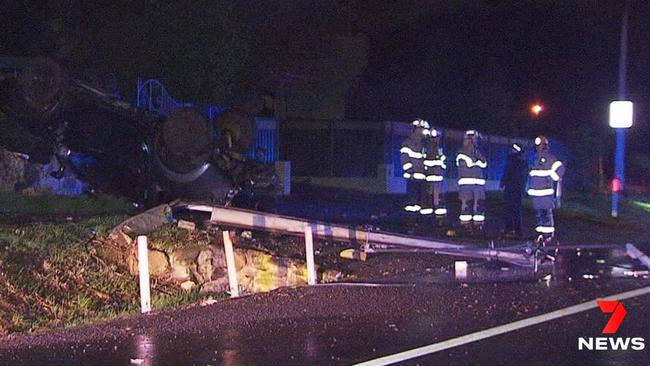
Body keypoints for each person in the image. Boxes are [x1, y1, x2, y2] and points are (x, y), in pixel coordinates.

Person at [527, 135, 565, 244]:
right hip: (536, 194)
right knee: (538, 216)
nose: (538, 148)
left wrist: (553, 176)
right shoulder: (534, 159)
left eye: (540, 146)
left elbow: (560, 169)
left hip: (545, 194)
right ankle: (540, 235)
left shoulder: (550, 158)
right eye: (537, 146)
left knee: (546, 215)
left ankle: (548, 236)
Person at [456, 130, 487, 232]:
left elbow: (484, 163)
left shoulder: (477, 152)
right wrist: (477, 161)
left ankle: (478, 226)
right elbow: (469, 163)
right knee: (466, 205)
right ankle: (465, 226)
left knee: (478, 205)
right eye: (473, 139)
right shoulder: (461, 152)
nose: (474, 141)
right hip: (466, 184)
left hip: (478, 184)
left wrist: (477, 159)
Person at [400, 119, 429, 215]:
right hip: (412, 176)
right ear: (414, 130)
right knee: (412, 201)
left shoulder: (424, 144)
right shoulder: (407, 143)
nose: (422, 131)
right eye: (420, 129)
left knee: (422, 200)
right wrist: (410, 171)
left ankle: (419, 219)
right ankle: (410, 219)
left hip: (422, 177)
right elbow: (404, 158)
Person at [500, 143, 527, 237]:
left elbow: (507, 173)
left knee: (512, 209)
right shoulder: (518, 161)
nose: (512, 150)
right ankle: (514, 229)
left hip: (514, 188)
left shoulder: (514, 161)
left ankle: (513, 229)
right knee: (513, 209)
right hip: (515, 188)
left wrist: (502, 184)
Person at [422, 127, 448, 225]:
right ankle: (429, 219)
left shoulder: (440, 148)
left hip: (436, 178)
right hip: (430, 178)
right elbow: (424, 161)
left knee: (438, 199)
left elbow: (443, 161)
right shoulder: (426, 148)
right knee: (429, 198)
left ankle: (439, 219)